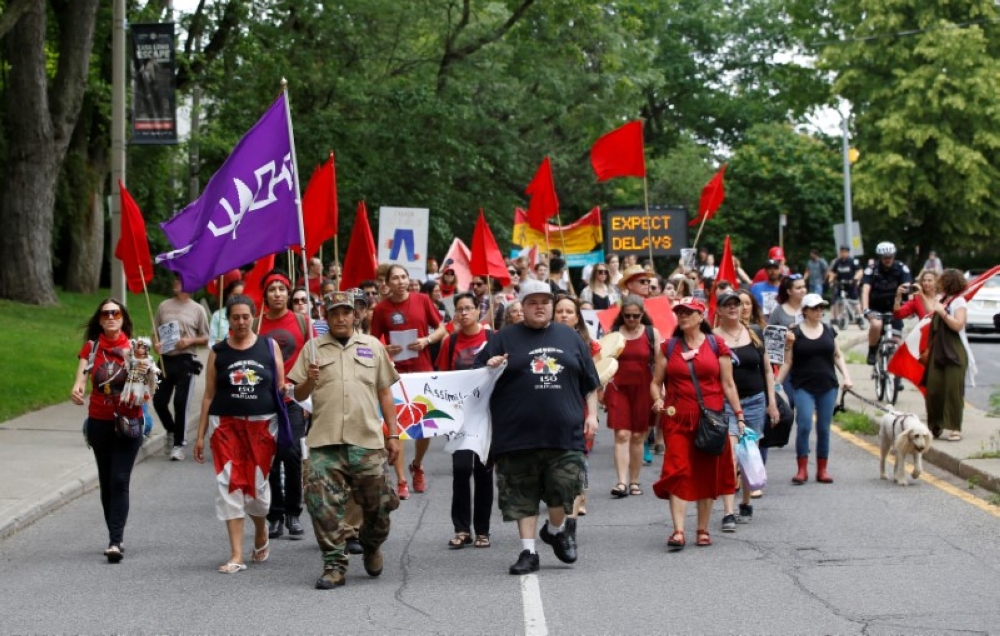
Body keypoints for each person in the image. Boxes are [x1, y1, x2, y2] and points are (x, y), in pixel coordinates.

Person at [475, 279, 600, 575]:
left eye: (545, 301)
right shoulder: (502, 338)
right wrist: (489, 367)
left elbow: (590, 383)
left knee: (565, 489)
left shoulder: (570, 337)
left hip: (565, 433)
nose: (540, 307)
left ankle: (555, 529)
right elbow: (476, 379)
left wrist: (592, 416)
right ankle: (528, 552)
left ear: (553, 305)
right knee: (522, 496)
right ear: (522, 306)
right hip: (516, 435)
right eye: (533, 302)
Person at [289, 291, 402, 589]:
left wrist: (393, 433)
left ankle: (371, 544)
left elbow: (385, 392)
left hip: (366, 440)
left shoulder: (373, 347)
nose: (341, 318)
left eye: (346, 312)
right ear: (326, 318)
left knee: (379, 508)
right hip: (325, 441)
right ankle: (334, 565)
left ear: (356, 315)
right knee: (321, 505)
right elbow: (297, 395)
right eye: (334, 313)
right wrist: (309, 381)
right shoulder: (313, 349)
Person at [193, 294, 288, 574]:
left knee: (257, 489)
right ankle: (236, 554)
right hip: (225, 426)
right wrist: (199, 436)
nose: (241, 322)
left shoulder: (269, 347)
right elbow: (208, 395)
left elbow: (281, 386)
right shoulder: (218, 351)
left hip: (262, 425)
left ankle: (261, 529)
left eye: (246, 316)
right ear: (229, 320)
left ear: (253, 316)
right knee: (229, 485)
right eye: (235, 317)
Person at [650, 297, 743, 551]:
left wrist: (739, 414)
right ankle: (678, 530)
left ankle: (702, 529)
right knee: (677, 470)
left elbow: (728, 384)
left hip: (710, 420)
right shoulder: (668, 347)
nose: (682, 316)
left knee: (706, 472)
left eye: (688, 312)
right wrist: (657, 399)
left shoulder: (716, 345)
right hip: (677, 419)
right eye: (679, 312)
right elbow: (656, 382)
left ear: (701, 317)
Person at [71, 299, 153, 563]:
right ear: (99, 319)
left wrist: (144, 374)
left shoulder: (135, 349)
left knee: (119, 479)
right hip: (99, 420)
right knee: (106, 481)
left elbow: (149, 384)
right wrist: (77, 388)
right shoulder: (92, 348)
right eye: (105, 314)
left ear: (122, 318)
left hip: (128, 421)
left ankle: (115, 541)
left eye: (115, 313)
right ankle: (114, 533)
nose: (110, 317)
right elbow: (82, 374)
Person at [370, 264, 447, 499]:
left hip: (422, 370)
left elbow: (442, 329)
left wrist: (426, 340)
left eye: (404, 277)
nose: (401, 281)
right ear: (387, 282)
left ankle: (417, 464)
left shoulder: (423, 300)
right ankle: (402, 480)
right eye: (396, 278)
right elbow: (373, 342)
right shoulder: (381, 309)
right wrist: (385, 348)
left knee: (425, 428)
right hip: (396, 374)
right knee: (399, 429)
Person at [254, 270, 314, 540]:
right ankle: (274, 515)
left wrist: (306, 395)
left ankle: (293, 512)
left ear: (289, 293)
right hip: (264, 401)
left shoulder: (302, 322)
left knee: (291, 454)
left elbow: (313, 359)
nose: (277, 293)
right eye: (271, 289)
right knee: (269, 457)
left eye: (281, 288)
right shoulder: (256, 326)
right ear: (265, 295)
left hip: (293, 398)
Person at [712, 290, 779, 529]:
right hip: (726, 405)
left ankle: (746, 502)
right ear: (718, 310)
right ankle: (728, 512)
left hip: (755, 401)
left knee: (748, 456)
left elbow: (768, 370)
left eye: (736, 304)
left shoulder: (755, 332)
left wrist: (772, 402)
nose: (733, 308)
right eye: (727, 305)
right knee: (729, 458)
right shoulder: (713, 338)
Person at [436, 293, 494, 549]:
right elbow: (441, 378)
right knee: (461, 471)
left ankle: (482, 530)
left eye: (468, 308)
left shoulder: (492, 339)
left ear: (478, 310)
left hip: (486, 415)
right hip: (458, 415)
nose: (463, 313)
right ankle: (461, 529)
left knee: (484, 472)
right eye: (459, 309)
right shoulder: (450, 342)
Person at [776, 294, 853, 484]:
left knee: (824, 429)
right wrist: (776, 383)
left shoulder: (828, 330)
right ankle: (802, 469)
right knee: (804, 426)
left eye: (820, 308)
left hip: (827, 385)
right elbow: (788, 362)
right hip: (803, 386)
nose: (818, 311)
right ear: (805, 311)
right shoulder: (795, 332)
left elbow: (837, 355)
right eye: (814, 308)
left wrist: (847, 376)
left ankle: (822, 469)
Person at [604, 296, 661, 498]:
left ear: (642, 314)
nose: (631, 319)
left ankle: (635, 481)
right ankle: (621, 482)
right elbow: (603, 361)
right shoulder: (613, 334)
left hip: (643, 388)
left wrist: (660, 391)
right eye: (627, 316)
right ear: (622, 315)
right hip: (618, 387)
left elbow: (660, 363)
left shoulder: (651, 333)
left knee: (638, 436)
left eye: (636, 316)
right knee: (621, 435)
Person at [153, 274, 210, 461]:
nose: (174, 282)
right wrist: (157, 344)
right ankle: (170, 430)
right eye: (175, 279)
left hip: (186, 359)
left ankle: (179, 444)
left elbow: (206, 337)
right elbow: (155, 331)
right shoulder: (163, 306)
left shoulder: (198, 310)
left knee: (180, 402)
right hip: (165, 359)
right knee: (159, 401)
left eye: (179, 280)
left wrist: (190, 340)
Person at [925, 269, 976, 441]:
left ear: (948, 282)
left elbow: (958, 325)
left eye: (941, 281)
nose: (938, 283)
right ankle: (936, 424)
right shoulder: (944, 299)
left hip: (954, 350)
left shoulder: (959, 302)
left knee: (953, 390)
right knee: (933, 388)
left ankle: (955, 428)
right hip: (938, 350)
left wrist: (943, 312)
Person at [861, 241, 912, 365]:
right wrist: (865, 309)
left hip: (895, 307)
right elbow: (865, 290)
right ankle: (872, 351)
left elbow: (908, 288)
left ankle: (897, 376)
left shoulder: (901, 268)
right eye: (885, 258)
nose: (888, 260)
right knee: (876, 325)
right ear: (880, 257)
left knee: (897, 341)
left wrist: (910, 306)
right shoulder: (871, 269)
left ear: (894, 256)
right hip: (876, 307)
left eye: (890, 257)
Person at [827, 246, 862, 324]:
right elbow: (833, 272)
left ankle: (860, 316)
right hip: (841, 284)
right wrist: (831, 280)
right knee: (839, 300)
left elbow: (859, 271)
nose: (842, 253)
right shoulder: (837, 262)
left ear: (848, 252)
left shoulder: (852, 261)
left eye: (844, 252)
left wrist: (855, 279)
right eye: (841, 251)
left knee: (855, 301)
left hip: (850, 284)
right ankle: (841, 317)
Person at [209, 279, 245, 348]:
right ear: (229, 295)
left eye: (241, 295)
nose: (238, 299)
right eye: (235, 295)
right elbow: (211, 342)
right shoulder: (217, 315)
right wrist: (217, 346)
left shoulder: (249, 316)